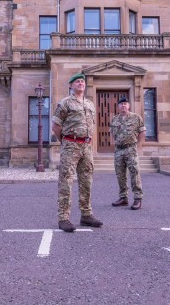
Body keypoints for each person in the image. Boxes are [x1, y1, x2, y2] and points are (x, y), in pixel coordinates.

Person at [52, 73, 103, 232]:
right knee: (66, 181)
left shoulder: (90, 104)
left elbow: (91, 126)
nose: (81, 83)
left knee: (86, 181)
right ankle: (63, 217)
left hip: (86, 147)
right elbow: (56, 126)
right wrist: (66, 142)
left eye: (82, 81)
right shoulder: (65, 103)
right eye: (77, 82)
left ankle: (86, 215)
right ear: (71, 86)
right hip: (70, 144)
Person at [110, 95, 146, 210]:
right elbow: (112, 133)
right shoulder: (115, 119)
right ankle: (123, 198)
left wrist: (138, 147)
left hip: (131, 149)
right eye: (121, 104)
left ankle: (137, 198)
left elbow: (142, 133)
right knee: (120, 175)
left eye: (125, 104)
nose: (123, 106)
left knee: (134, 173)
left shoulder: (136, 117)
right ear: (118, 106)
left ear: (128, 106)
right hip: (119, 150)